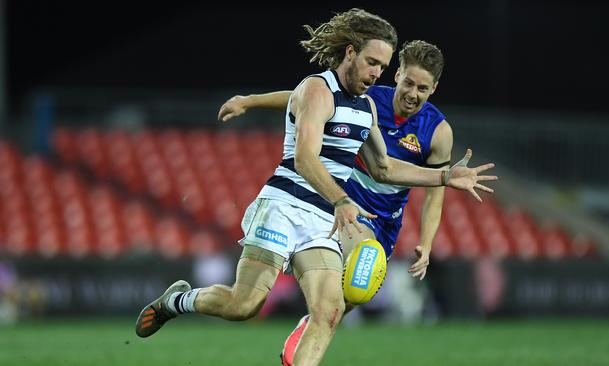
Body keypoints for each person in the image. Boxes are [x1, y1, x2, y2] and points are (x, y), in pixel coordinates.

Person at [136, 9, 496, 366]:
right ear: (350, 52)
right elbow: (306, 159)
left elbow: (383, 168)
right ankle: (176, 301)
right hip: (284, 205)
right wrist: (341, 199)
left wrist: (445, 177)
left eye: (381, 68)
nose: (375, 73)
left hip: (321, 220)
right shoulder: (317, 89)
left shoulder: (365, 109)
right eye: (371, 62)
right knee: (244, 305)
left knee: (330, 310)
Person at [218, 40, 467, 364]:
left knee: (351, 296)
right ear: (397, 75)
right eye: (408, 82)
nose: (412, 93)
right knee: (362, 261)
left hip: (385, 220)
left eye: (422, 88)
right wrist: (251, 101)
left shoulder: (438, 132)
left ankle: (308, 327)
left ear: (434, 88)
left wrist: (427, 243)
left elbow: (436, 194)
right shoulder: (367, 100)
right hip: (345, 203)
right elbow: (301, 100)